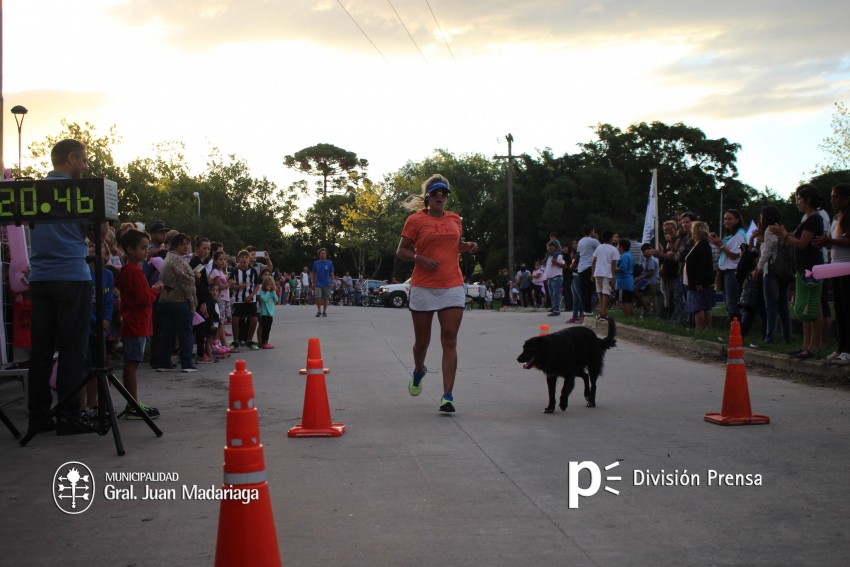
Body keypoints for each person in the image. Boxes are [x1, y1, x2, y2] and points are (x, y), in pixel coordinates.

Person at [26, 139, 95, 436]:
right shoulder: (78, 192)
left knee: (41, 351)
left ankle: (38, 416)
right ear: (70, 158)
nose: (86, 166)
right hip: (71, 275)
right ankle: (68, 415)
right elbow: (97, 229)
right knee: (72, 348)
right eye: (83, 160)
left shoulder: (33, 192)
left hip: (40, 277)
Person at [396, 174, 478, 413]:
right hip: (423, 286)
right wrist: (420, 258)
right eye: (437, 193)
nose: (441, 197)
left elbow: (454, 246)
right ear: (428, 197)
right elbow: (401, 251)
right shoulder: (415, 220)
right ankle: (419, 370)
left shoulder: (455, 219)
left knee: (450, 337)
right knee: (422, 343)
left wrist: (468, 246)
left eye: (445, 193)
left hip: (452, 284)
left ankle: (447, 396)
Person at [768, 185, 825, 359]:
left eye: (799, 198)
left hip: (811, 267)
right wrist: (784, 234)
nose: (797, 202)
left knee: (815, 307)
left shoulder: (814, 219)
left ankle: (813, 346)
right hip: (802, 267)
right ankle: (805, 345)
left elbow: (802, 243)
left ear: (807, 199)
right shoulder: (805, 218)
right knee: (804, 307)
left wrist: (784, 235)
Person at [115, 229, 163, 419]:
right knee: (132, 363)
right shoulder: (134, 271)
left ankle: (133, 401)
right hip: (136, 323)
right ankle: (133, 403)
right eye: (142, 248)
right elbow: (143, 299)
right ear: (130, 249)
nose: (146, 252)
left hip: (135, 322)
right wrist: (155, 290)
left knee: (132, 363)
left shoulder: (129, 270)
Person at [814, 183, 850, 363]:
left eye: (836, 197)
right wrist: (827, 242)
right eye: (832, 197)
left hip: (847, 267)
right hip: (836, 265)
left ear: (846, 198)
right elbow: (836, 241)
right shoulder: (836, 217)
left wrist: (831, 241)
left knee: (846, 308)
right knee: (839, 309)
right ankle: (841, 347)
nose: (832, 200)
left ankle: (848, 349)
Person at [154, 233, 198, 372]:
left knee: (167, 332)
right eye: (183, 244)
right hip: (179, 300)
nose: (186, 246)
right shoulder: (177, 259)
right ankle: (186, 363)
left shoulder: (169, 257)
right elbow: (187, 280)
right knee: (185, 332)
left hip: (165, 300)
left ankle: (163, 362)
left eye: (188, 243)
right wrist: (191, 296)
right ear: (175, 245)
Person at [753, 206, 791, 345]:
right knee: (783, 306)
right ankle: (787, 337)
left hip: (771, 270)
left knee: (771, 306)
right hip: (784, 270)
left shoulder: (769, 230)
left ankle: (770, 336)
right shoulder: (781, 229)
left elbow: (766, 253)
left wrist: (758, 269)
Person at [711, 209, 747, 323]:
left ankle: (737, 327)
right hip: (725, 271)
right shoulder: (731, 235)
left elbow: (736, 255)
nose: (727, 221)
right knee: (728, 301)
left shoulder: (740, 235)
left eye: (730, 219)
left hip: (732, 271)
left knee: (732, 302)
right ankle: (734, 326)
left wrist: (721, 246)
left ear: (737, 220)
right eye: (725, 219)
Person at [685, 221, 716, 332]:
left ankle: (699, 329)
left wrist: (698, 282)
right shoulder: (702, 245)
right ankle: (708, 329)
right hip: (703, 281)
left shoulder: (701, 246)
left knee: (699, 307)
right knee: (706, 306)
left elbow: (701, 265)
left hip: (699, 282)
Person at [229, 250, 261, 351]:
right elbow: (230, 285)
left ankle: (249, 340)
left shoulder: (253, 271)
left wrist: (251, 295)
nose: (244, 259)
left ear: (249, 259)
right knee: (235, 320)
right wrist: (238, 287)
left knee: (254, 320)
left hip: (250, 299)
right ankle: (236, 341)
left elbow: (257, 285)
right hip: (238, 299)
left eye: (246, 257)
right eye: (242, 257)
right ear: (238, 260)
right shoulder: (235, 271)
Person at [592, 230, 619, 321]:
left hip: (598, 272)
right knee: (606, 293)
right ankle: (603, 314)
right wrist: (614, 278)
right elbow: (613, 264)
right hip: (607, 273)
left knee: (600, 293)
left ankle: (601, 312)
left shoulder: (599, 247)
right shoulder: (614, 249)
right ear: (611, 238)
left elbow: (593, 262)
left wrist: (592, 273)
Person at [576, 226, 599, 318]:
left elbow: (578, 254)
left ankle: (583, 309)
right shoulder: (593, 241)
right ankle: (587, 310)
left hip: (581, 267)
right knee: (589, 290)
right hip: (590, 267)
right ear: (591, 231)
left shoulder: (580, 241)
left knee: (583, 290)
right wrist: (597, 239)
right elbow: (601, 249)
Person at [635, 243, 660, 316]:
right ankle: (645, 306)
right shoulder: (648, 259)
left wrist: (639, 278)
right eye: (647, 250)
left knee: (634, 290)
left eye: (650, 250)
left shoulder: (651, 260)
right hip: (648, 280)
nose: (649, 251)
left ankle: (645, 306)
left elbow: (650, 273)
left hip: (649, 281)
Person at [542, 243, 565, 316]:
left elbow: (564, 266)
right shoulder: (549, 257)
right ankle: (554, 308)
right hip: (550, 279)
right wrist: (545, 278)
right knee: (551, 295)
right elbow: (548, 268)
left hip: (556, 278)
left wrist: (556, 263)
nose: (550, 250)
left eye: (551, 249)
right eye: (548, 249)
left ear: (555, 249)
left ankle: (556, 310)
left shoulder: (558, 256)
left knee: (556, 295)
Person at [311, 248, 335, 317]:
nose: (323, 254)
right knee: (318, 297)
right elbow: (313, 273)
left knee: (326, 298)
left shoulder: (329, 263)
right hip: (318, 283)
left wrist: (332, 282)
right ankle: (319, 311)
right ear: (319, 255)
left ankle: (324, 311)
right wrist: (313, 282)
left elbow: (332, 273)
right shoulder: (316, 263)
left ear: (326, 254)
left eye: (324, 253)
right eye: (321, 253)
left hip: (327, 283)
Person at [615, 238, 635, 318]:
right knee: (629, 301)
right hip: (629, 281)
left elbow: (622, 268)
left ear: (621, 247)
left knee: (624, 301)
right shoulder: (630, 255)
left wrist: (614, 269)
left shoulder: (623, 256)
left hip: (623, 282)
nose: (617, 248)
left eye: (618, 246)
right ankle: (631, 317)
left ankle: (628, 317)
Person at [258, 275, 279, 349]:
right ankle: (263, 342)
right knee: (264, 328)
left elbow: (276, 300)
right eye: (268, 284)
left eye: (271, 284)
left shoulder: (272, 292)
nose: (269, 286)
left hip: (270, 314)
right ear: (265, 285)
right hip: (264, 313)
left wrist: (273, 292)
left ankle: (266, 342)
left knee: (268, 328)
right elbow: (264, 299)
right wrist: (267, 291)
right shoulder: (263, 292)